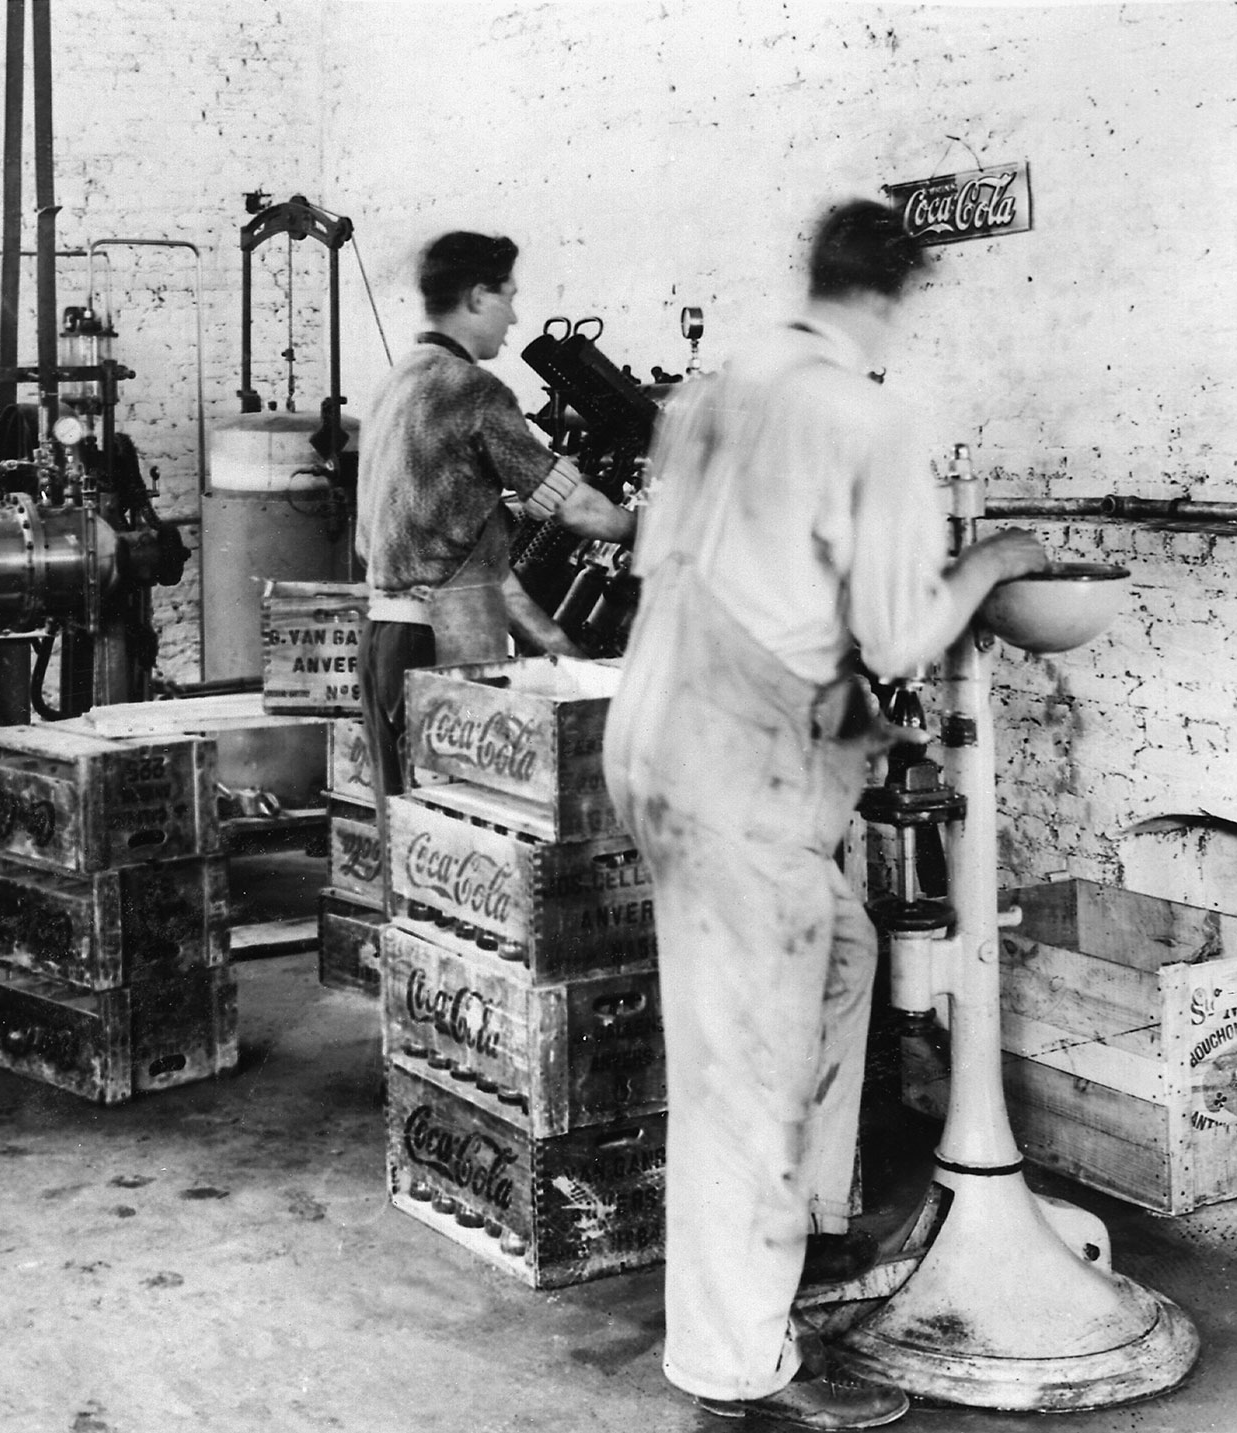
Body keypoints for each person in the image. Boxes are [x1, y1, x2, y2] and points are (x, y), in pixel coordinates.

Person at [601, 200, 1047, 1429]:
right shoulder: (869, 412)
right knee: (742, 1073)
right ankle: (735, 1370)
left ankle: (804, 1233)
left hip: (655, 735)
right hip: (734, 776)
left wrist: (835, 700)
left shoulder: (718, 384)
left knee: (842, 956)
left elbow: (708, 575)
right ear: (902, 290)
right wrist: (993, 558)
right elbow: (904, 628)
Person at [355, 230, 636, 802]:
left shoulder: (396, 383)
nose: (513, 316)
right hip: (437, 653)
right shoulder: (474, 392)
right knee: (456, 823)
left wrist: (578, 667)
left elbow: (492, 580)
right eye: (508, 295)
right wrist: (662, 531)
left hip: (386, 642)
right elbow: (579, 510)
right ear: (478, 296)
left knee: (413, 834)